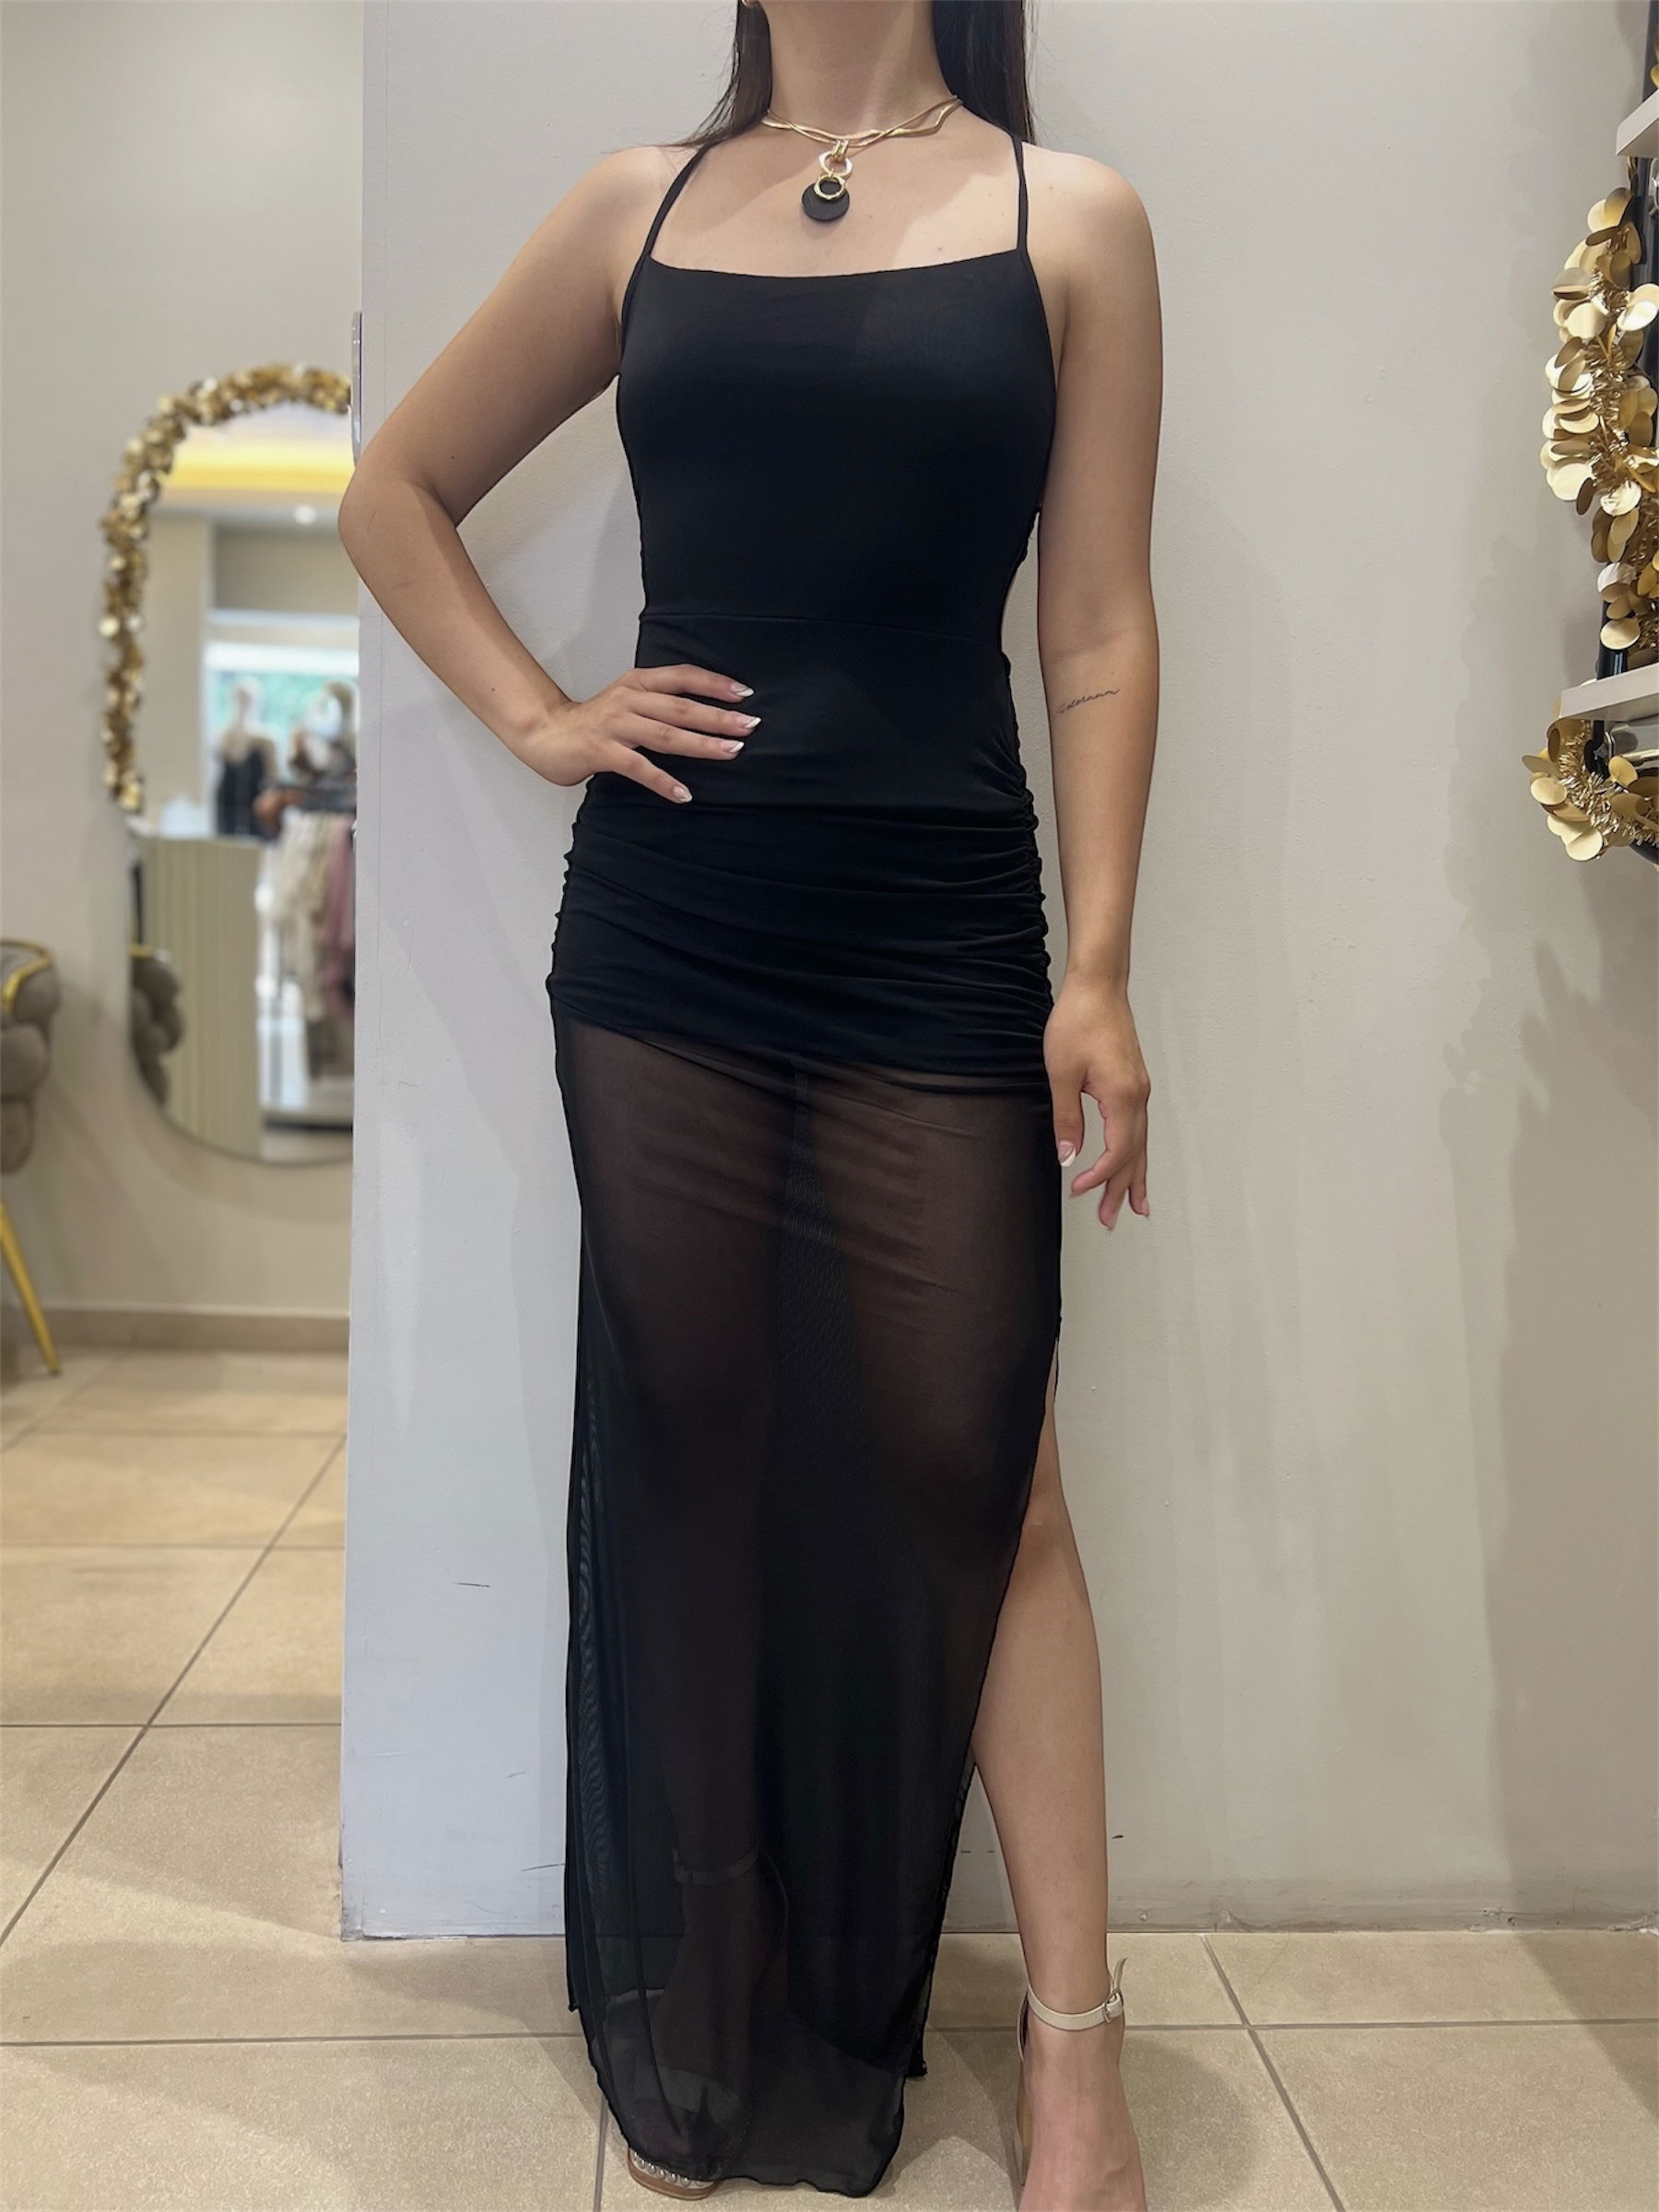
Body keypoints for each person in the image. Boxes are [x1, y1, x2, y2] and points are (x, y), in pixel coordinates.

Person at [339, 4, 1160, 2205]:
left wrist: (1096, 968)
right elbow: (392, 491)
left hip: (936, 934)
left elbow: (1095, 625)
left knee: (986, 1471)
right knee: (694, 1454)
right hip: (669, 942)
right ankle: (713, 2004)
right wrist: (541, 715)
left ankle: (1076, 2060)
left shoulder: (1065, 220)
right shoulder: (638, 210)